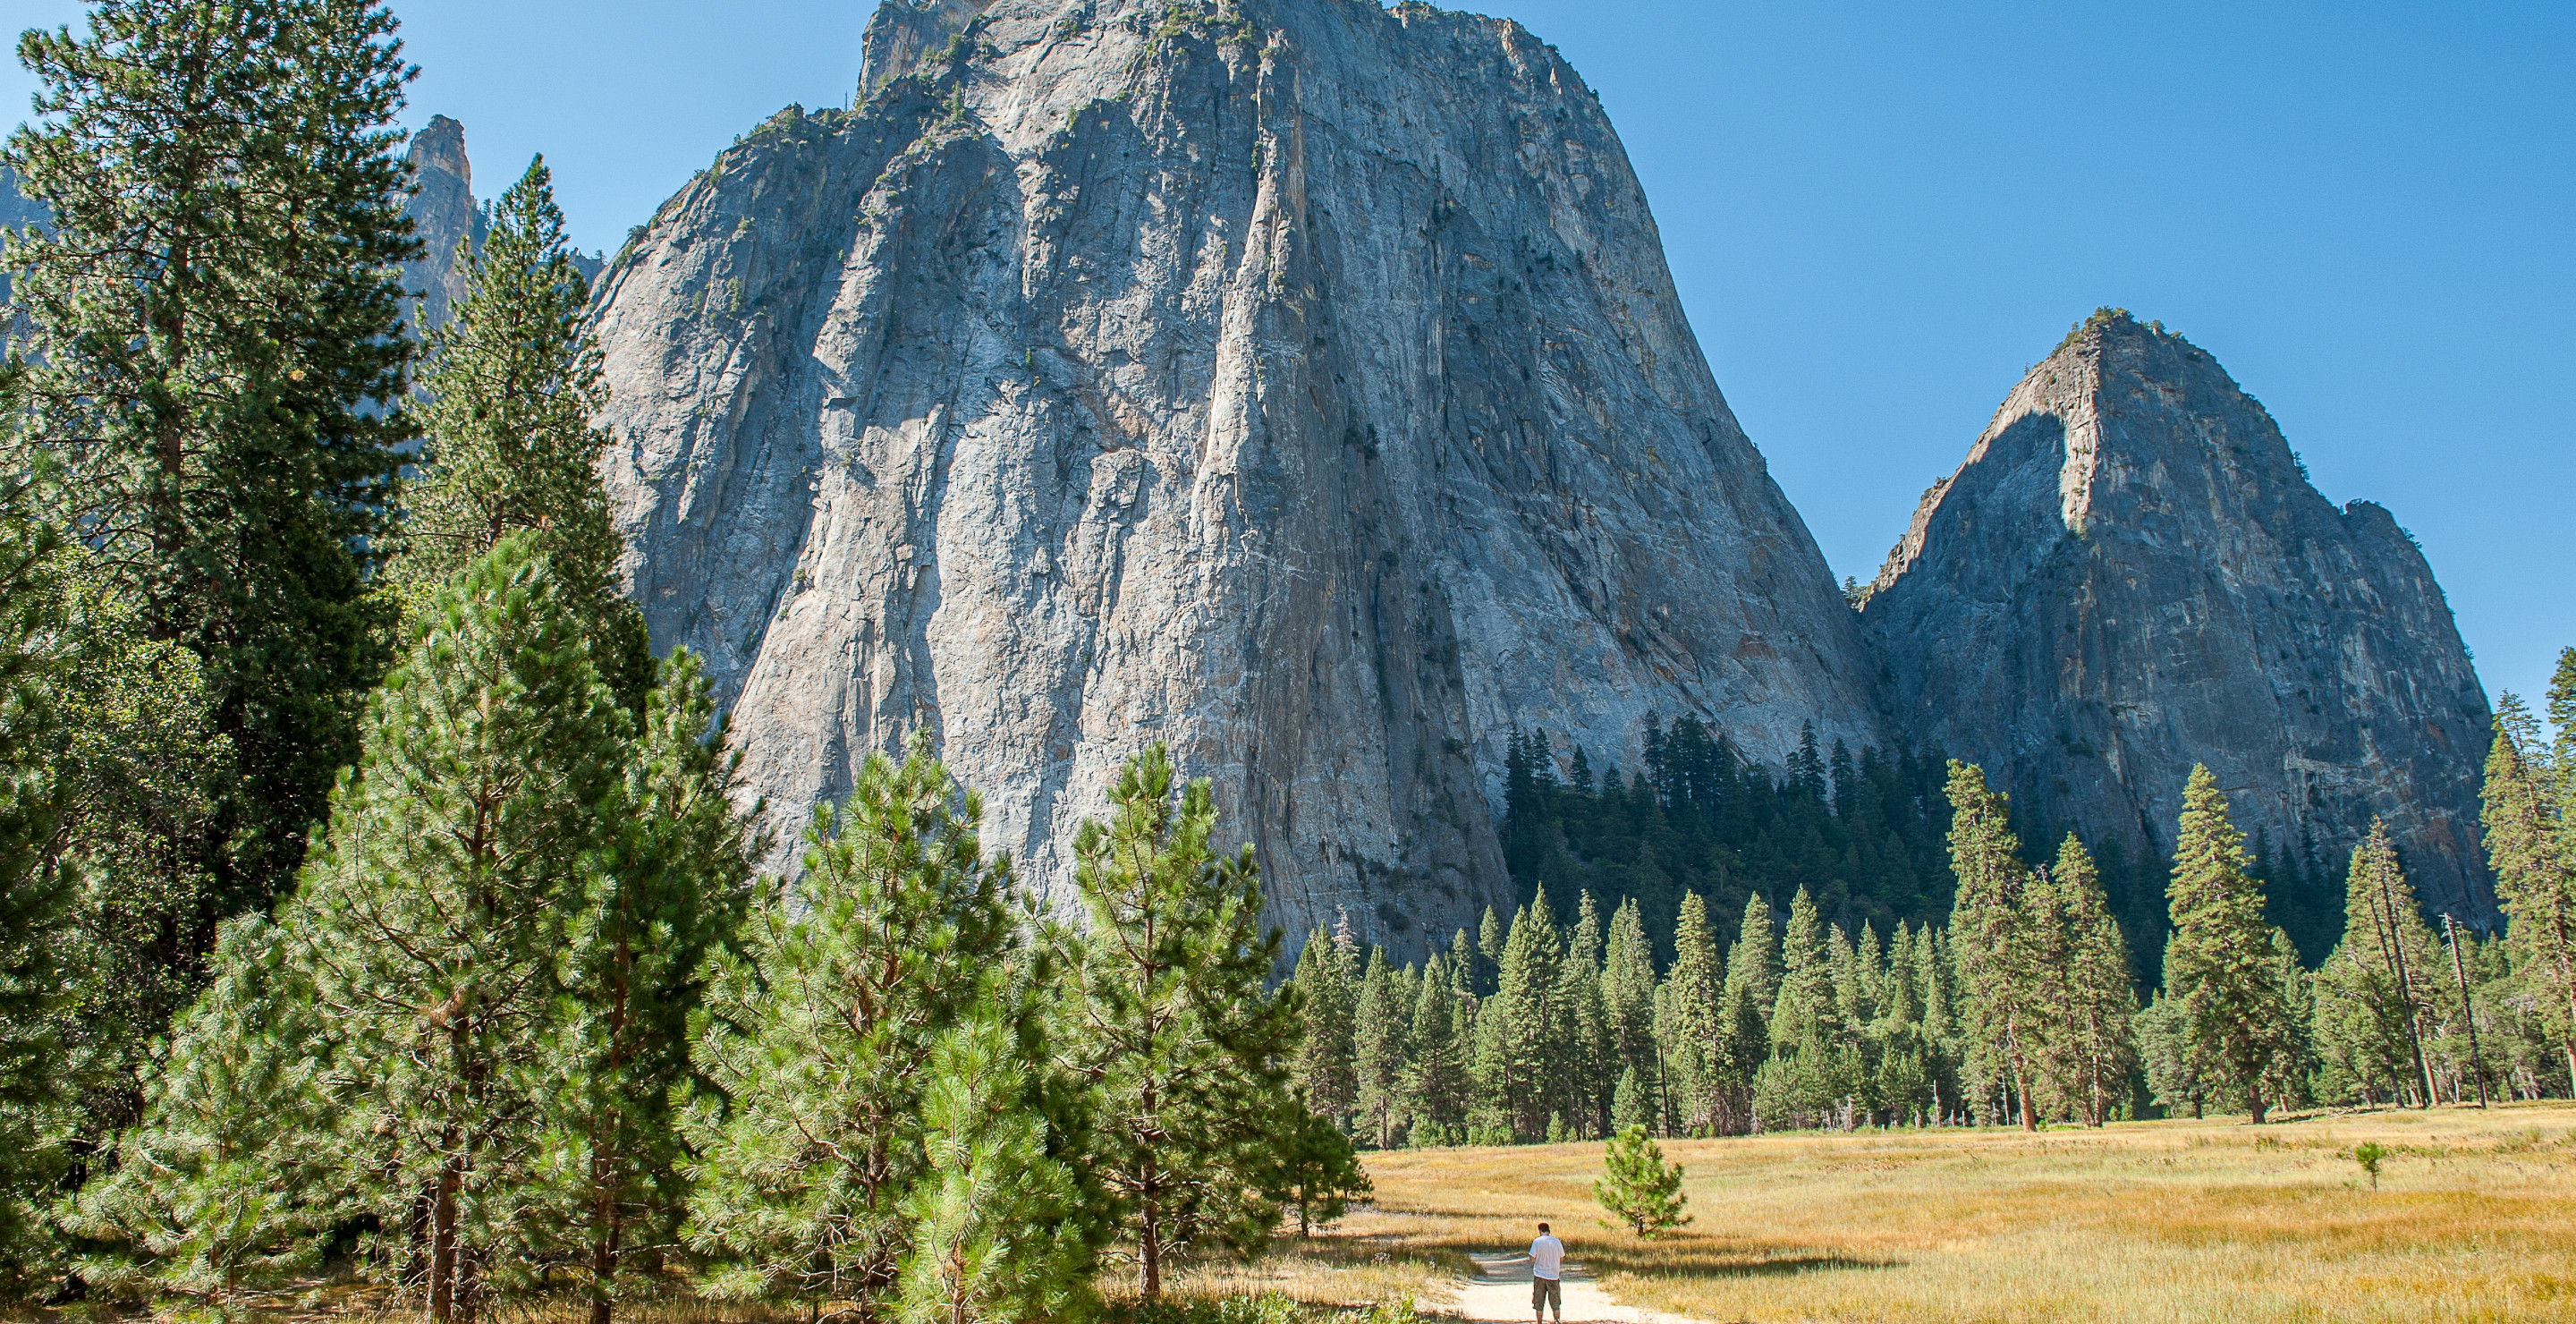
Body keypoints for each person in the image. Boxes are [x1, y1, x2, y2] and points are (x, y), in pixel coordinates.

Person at [1530, 1221, 1564, 1323]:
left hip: (1539, 1275)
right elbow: (1562, 1258)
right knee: (1555, 1303)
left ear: (1540, 1231)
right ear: (1549, 1231)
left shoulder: (1537, 1242)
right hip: (1553, 1275)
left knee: (1539, 1303)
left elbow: (1532, 1257)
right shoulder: (1557, 1242)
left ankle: (1539, 1322)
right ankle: (1557, 1320)